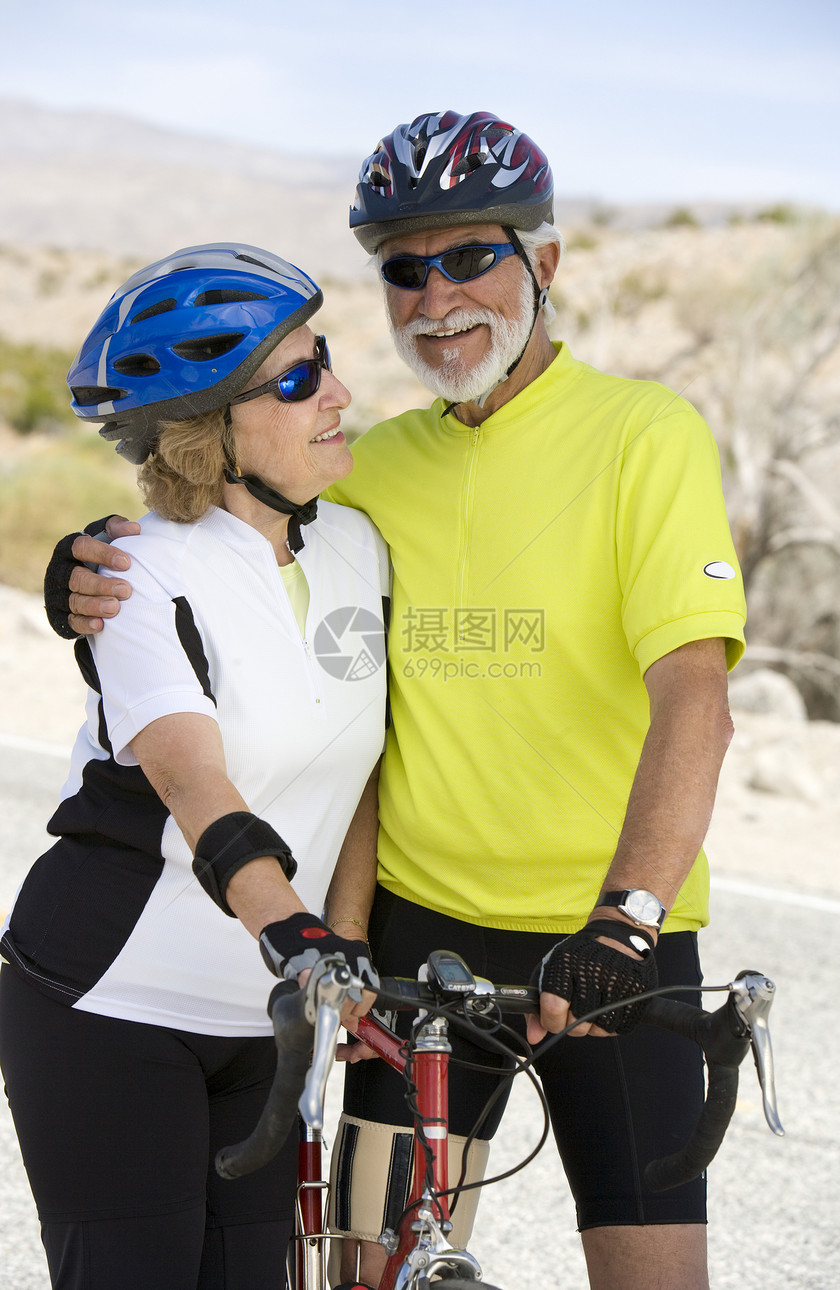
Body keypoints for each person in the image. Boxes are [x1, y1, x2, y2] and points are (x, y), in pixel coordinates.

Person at [43, 112, 746, 1290]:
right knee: (369, 1272)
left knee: (655, 1275)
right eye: (403, 271)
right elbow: (239, 568)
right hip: (422, 937)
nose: (434, 298)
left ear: (545, 263)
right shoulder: (377, 473)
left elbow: (693, 698)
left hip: (610, 937)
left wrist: (626, 917)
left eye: (469, 257)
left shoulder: (644, 435)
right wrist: (91, 578)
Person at [0, 242, 387, 1290]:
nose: (339, 392)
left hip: (264, 1017)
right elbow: (193, 784)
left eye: (328, 359)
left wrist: (341, 950)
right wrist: (295, 934)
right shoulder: (135, 573)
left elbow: (357, 786)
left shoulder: (360, 550)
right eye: (299, 378)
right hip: (111, 1002)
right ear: (211, 427)